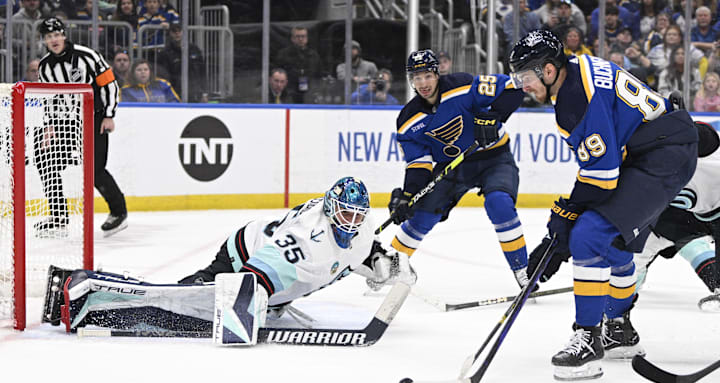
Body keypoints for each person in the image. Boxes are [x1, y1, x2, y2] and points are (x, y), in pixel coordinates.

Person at [509, 30, 697, 381]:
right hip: (655, 147)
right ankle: (619, 329)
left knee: (586, 236)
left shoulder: (574, 100)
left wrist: (562, 228)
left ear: (548, 70)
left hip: (659, 156)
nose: (522, 85)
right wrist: (563, 221)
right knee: (611, 242)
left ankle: (588, 338)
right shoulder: (577, 69)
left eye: (525, 76)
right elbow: (603, 166)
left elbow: (602, 176)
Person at [48, 177, 415, 332]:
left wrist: (389, 267)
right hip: (243, 256)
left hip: (269, 268)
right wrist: (238, 316)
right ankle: (86, 292)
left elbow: (368, 256)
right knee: (187, 303)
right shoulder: (309, 238)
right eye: (346, 214)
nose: (351, 223)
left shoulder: (362, 229)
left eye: (358, 216)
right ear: (332, 210)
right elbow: (252, 279)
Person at [388, 49, 531, 291]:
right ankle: (389, 268)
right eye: (417, 77)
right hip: (452, 167)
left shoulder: (462, 86)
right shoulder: (408, 120)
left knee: (499, 203)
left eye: (427, 76)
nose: (423, 83)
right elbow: (418, 164)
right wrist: (408, 195)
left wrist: (491, 118)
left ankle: (523, 271)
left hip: (494, 158)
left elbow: (513, 87)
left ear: (437, 74)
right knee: (421, 214)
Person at [37, 17, 129, 237]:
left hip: (94, 119)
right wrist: (50, 125)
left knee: (94, 170)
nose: (54, 40)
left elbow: (109, 83)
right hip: (64, 124)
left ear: (64, 35)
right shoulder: (45, 67)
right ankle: (58, 217)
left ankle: (119, 212)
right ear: (45, 41)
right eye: (49, 37)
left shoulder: (87, 56)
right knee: (45, 159)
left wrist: (109, 115)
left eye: (57, 35)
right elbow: (49, 99)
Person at [633, 122, 720, 312]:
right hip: (672, 219)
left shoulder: (671, 163)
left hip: (684, 220)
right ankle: (626, 285)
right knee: (638, 257)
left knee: (691, 245)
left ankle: (625, 286)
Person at [156, 23, 207, 102]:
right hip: (174, 93)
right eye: (174, 31)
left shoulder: (194, 49)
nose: (177, 33)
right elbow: (163, 76)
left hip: (195, 92)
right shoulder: (165, 53)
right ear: (170, 33)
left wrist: (204, 93)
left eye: (179, 31)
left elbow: (202, 72)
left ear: (183, 32)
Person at [274, 26, 323, 104]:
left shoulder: (314, 55)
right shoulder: (283, 55)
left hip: (310, 94)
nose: (300, 39)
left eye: (303, 36)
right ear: (292, 38)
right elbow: (277, 74)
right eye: (298, 36)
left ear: (307, 38)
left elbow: (319, 75)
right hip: (289, 94)